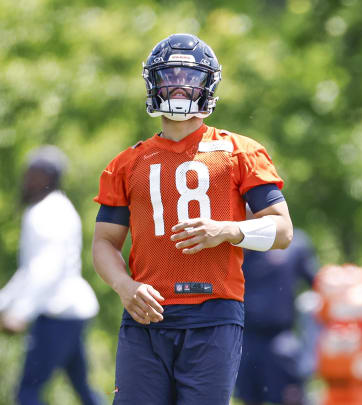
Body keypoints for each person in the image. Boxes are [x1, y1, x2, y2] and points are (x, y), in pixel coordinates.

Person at [91, 33, 294, 405]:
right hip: (147, 315)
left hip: (214, 313)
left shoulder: (240, 152)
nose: (180, 88)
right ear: (154, 83)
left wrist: (227, 230)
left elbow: (282, 230)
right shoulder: (127, 163)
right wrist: (124, 285)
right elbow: (104, 241)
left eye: (190, 78)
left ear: (208, 85)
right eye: (171, 77)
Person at [0, 146, 101, 405]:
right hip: (70, 312)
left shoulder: (47, 213)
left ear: (46, 176)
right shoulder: (53, 207)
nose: (26, 179)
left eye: (31, 173)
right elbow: (29, 271)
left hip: (57, 314)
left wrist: (20, 312)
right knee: (83, 389)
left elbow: (45, 270)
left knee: (28, 392)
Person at [235, 229, 319, 405]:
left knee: (292, 399)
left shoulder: (295, 242)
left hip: (280, 340)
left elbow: (318, 283)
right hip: (245, 340)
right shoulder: (237, 237)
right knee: (248, 399)